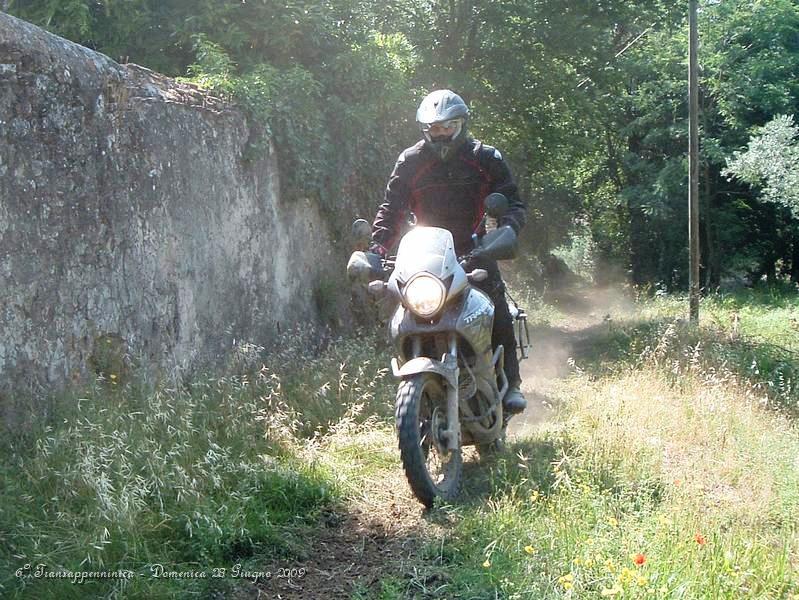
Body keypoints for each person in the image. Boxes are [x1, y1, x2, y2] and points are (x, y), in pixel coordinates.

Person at [369, 89, 528, 414]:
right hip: (424, 254)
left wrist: (507, 230)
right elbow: (392, 209)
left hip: (474, 249)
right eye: (434, 129)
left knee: (494, 304)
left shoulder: (484, 157)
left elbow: (511, 200)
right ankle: (416, 387)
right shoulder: (411, 161)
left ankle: (511, 382)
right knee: (403, 309)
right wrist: (376, 249)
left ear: (461, 125)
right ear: (425, 130)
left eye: (447, 127)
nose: (441, 135)